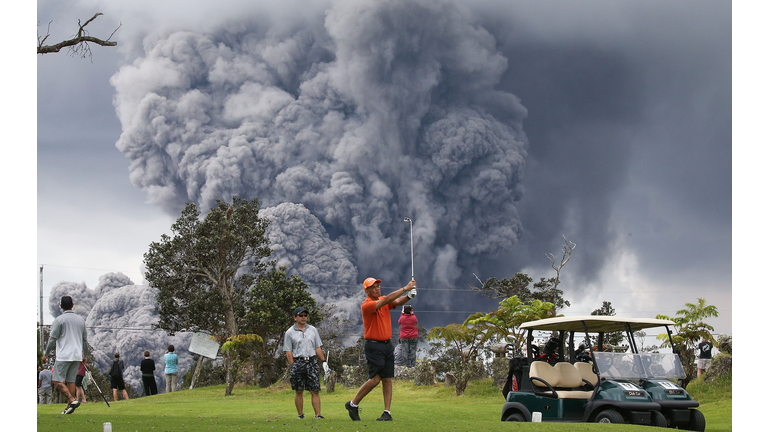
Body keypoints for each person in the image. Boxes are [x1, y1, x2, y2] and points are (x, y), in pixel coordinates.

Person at [345, 277, 416, 422]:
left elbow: (396, 302)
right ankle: (353, 404)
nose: (377, 288)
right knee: (375, 379)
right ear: (367, 291)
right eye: (373, 287)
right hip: (374, 346)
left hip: (387, 345)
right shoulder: (367, 305)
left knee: (387, 379)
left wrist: (409, 296)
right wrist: (405, 288)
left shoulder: (383, 300)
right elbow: (387, 299)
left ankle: (387, 412)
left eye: (378, 286)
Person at [41, 295, 89, 414]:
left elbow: (52, 338)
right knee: (71, 381)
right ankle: (69, 407)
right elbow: (84, 340)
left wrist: (46, 354)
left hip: (64, 355)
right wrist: (85, 356)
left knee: (56, 380)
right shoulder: (81, 320)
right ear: (72, 305)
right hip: (76, 355)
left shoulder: (59, 320)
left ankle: (72, 400)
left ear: (61, 306)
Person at [284, 306, 327, 420]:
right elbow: (288, 351)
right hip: (298, 362)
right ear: (295, 318)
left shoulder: (312, 330)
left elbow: (317, 347)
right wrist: (293, 365)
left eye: (305, 315)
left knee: (315, 390)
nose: (303, 317)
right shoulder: (289, 332)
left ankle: (318, 415)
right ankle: (300, 415)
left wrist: (323, 361)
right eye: (300, 315)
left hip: (311, 361)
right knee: (299, 390)